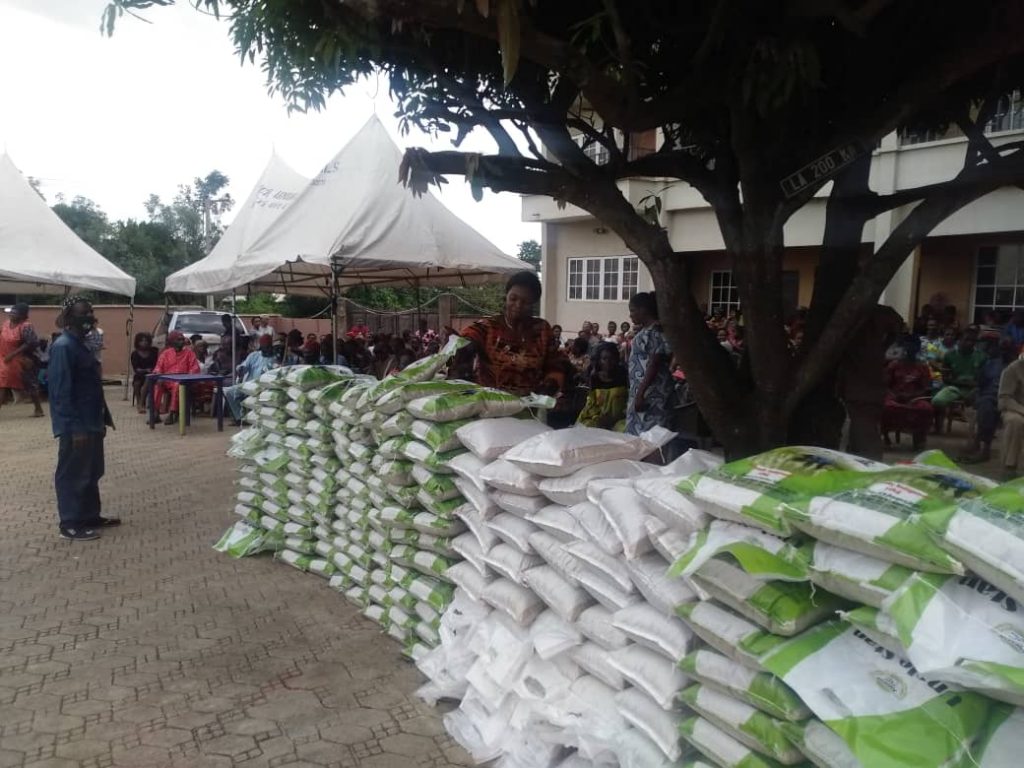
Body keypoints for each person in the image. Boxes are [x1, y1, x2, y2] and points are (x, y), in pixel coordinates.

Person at [47, 297, 118, 540]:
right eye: (82, 313)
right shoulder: (64, 347)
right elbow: (60, 392)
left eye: (90, 312)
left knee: (92, 470)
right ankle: (70, 522)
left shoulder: (81, 344)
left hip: (92, 421)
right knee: (72, 474)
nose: (88, 317)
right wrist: (72, 427)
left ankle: (89, 515)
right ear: (69, 316)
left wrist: (101, 419)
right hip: (76, 425)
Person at [455, 271, 563, 396]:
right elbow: (463, 340)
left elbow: (556, 365)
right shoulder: (488, 327)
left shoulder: (542, 330)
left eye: (526, 301)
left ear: (534, 303)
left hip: (530, 407)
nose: (518, 305)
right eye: (513, 298)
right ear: (506, 297)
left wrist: (550, 385)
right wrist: (462, 352)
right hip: (489, 406)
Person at [625, 292, 673, 436]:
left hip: (650, 394)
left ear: (643, 310)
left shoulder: (653, 333)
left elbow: (654, 363)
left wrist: (640, 393)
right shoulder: (649, 331)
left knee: (650, 437)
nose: (630, 315)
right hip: (646, 391)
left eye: (633, 310)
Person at [962, 337, 1009, 464]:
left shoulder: (1012, 365)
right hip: (986, 394)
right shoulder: (989, 362)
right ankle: (977, 443)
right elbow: (981, 383)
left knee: (987, 406)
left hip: (1006, 398)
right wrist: (975, 392)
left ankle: (985, 450)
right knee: (982, 403)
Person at [882, 335, 934, 450]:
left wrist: (913, 396)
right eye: (908, 345)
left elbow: (927, 387)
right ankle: (885, 436)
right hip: (895, 397)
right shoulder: (894, 365)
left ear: (918, 348)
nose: (911, 348)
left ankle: (919, 438)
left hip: (915, 398)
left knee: (926, 409)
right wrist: (894, 395)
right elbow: (885, 385)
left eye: (914, 345)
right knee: (886, 407)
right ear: (904, 347)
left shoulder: (923, 367)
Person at [224, 335, 280, 425]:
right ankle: (239, 418)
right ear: (261, 347)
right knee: (230, 392)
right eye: (265, 347)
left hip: (265, 386)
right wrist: (241, 369)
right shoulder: (254, 355)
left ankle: (255, 418)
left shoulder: (275, 358)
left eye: (268, 347)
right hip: (250, 384)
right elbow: (244, 366)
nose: (267, 349)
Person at [0, 303, 44, 417]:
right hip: (5, 358)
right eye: (11, 312)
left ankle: (38, 409)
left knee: (30, 383)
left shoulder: (26, 326)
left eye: (15, 313)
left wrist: (14, 354)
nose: (11, 314)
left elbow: (31, 343)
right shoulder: (6, 324)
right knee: (2, 382)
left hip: (24, 358)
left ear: (23, 315)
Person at [152, 331, 200, 425]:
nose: (182, 341)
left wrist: (186, 378)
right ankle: (155, 413)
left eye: (182, 339)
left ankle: (173, 413)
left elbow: (195, 368)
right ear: (172, 341)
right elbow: (158, 367)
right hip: (167, 380)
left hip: (183, 381)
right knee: (157, 385)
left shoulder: (189, 353)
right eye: (179, 340)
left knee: (177, 385)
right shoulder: (166, 353)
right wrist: (159, 375)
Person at [577, 342, 628, 429]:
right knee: (587, 428)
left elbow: (628, 401)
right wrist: (597, 418)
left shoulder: (624, 375)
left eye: (612, 358)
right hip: (597, 416)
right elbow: (591, 403)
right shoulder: (595, 377)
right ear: (599, 360)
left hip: (620, 418)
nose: (608, 362)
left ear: (617, 359)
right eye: (604, 359)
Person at [932, 330, 985, 413]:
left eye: (972, 341)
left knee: (984, 405)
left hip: (974, 390)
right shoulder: (949, 355)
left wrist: (974, 387)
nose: (969, 343)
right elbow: (945, 379)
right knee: (937, 401)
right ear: (960, 340)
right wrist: (965, 383)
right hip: (954, 388)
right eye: (966, 340)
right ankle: (940, 424)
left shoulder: (981, 356)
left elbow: (982, 380)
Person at [999, 349, 1024, 478]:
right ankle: (1010, 468)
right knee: (1016, 422)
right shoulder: (1013, 369)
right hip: (1015, 410)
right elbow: (1005, 398)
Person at [130, 332, 159, 414]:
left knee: (148, 379)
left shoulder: (154, 351)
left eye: (146, 340)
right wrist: (146, 370)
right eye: (141, 341)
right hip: (140, 374)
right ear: (137, 342)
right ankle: (139, 402)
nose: (144, 342)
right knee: (137, 383)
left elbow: (157, 364)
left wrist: (151, 371)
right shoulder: (135, 354)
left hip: (153, 374)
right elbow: (136, 369)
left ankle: (142, 404)